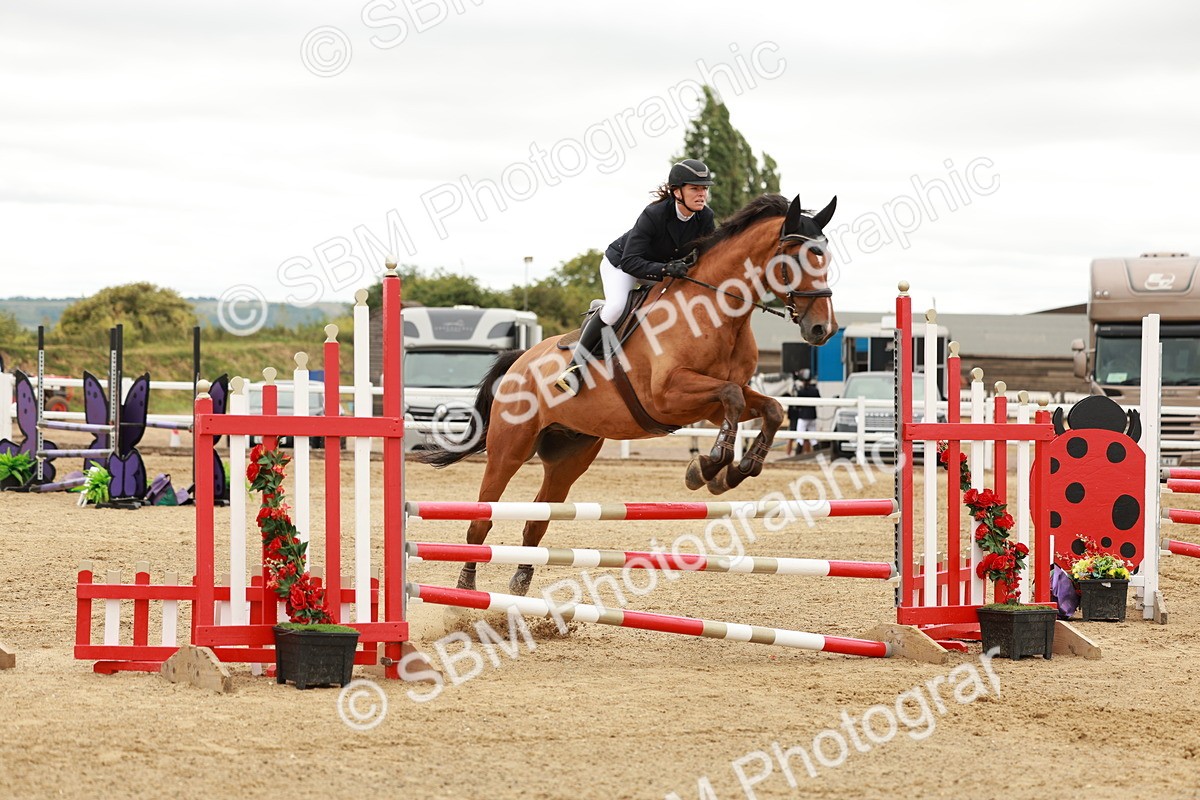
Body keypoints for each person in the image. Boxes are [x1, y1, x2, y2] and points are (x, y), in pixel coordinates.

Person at [554, 159, 717, 395]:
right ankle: (574, 369)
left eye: (704, 189)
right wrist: (665, 270)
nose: (702, 194)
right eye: (695, 188)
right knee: (615, 308)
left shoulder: (705, 217)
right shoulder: (654, 214)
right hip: (621, 265)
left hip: (659, 267)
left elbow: (707, 256)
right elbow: (631, 261)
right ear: (677, 191)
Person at [785, 370, 820, 456]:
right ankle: (818, 454)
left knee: (799, 436)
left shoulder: (801, 391)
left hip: (803, 416)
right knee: (813, 438)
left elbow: (797, 405)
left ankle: (797, 455)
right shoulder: (815, 390)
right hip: (812, 416)